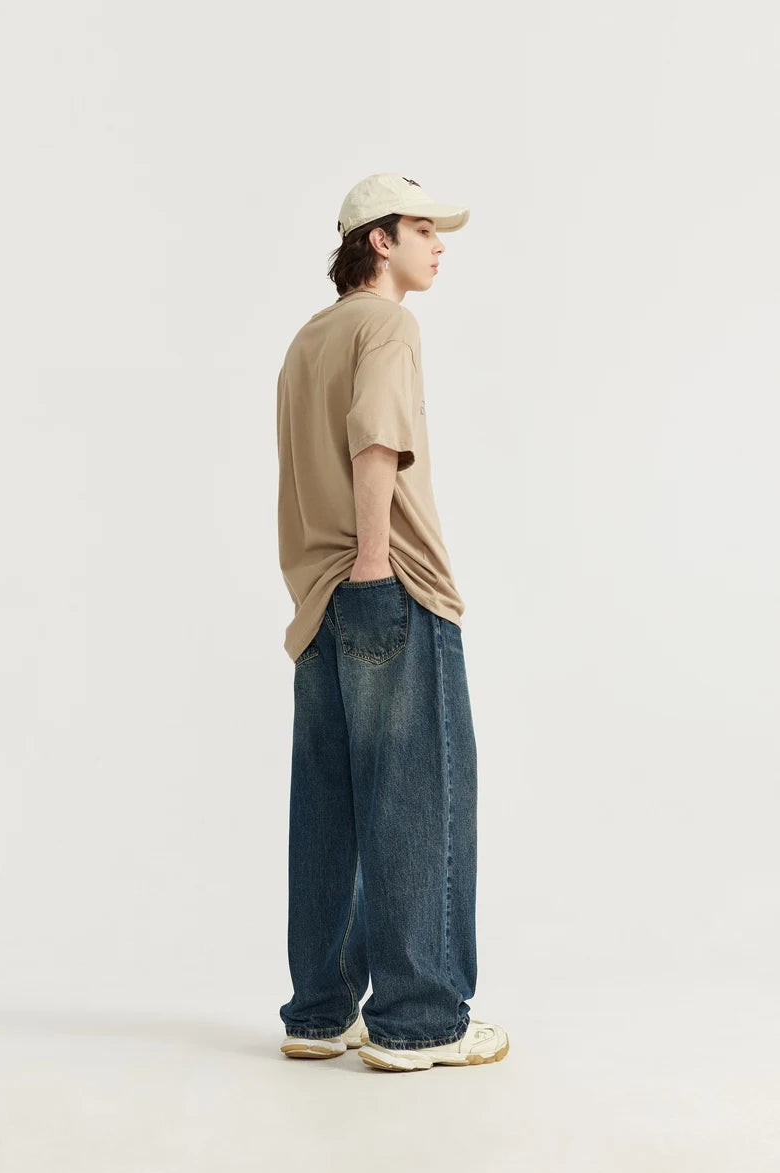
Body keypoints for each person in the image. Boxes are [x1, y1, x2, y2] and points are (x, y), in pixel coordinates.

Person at [275, 173, 508, 1071]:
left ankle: (319, 1012)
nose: (439, 244)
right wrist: (376, 559)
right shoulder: (388, 325)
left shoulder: (308, 339)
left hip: (317, 600)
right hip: (390, 584)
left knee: (329, 807)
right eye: (423, 229)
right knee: (419, 795)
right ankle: (420, 1021)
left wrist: (340, 577)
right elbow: (375, 439)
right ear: (378, 240)